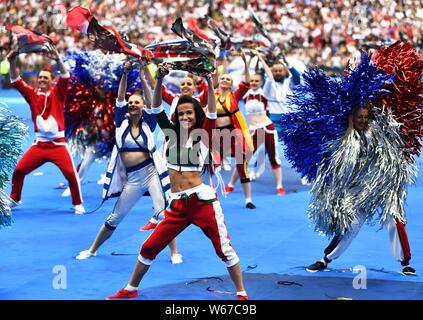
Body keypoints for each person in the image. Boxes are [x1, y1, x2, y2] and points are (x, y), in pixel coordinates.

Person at [107, 65, 249, 300]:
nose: (185, 116)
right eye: (181, 113)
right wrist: (160, 78)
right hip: (177, 206)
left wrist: (209, 83)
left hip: (202, 203)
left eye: (189, 113)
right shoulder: (170, 131)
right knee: (148, 247)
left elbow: (212, 112)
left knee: (224, 250)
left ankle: (242, 293)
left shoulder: (204, 133)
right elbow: (154, 107)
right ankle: (131, 289)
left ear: (196, 115)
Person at [76, 62, 182, 264]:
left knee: (162, 214)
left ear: (143, 107)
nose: (133, 104)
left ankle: (174, 252)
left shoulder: (148, 123)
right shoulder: (120, 121)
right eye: (131, 102)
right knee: (115, 217)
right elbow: (119, 97)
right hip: (133, 178)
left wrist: (144, 79)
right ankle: (92, 249)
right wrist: (125, 73)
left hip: (151, 173)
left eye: (137, 103)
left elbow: (154, 105)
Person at [306, 105, 416, 276]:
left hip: (383, 188)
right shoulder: (344, 139)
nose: (363, 120)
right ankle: (326, 259)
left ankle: (405, 263)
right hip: (357, 192)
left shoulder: (379, 135)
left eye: (366, 117)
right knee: (350, 225)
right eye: (359, 117)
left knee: (396, 221)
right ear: (352, 118)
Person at [6, 46, 85, 214]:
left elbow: (65, 76)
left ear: (51, 80)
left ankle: (78, 203)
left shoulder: (58, 93)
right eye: (40, 77)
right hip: (39, 146)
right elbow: (15, 80)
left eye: (45, 78)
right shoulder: (31, 94)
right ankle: (15, 198)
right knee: (19, 170)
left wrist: (57, 58)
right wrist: (11, 61)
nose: (42, 80)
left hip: (58, 146)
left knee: (71, 174)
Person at [226, 51, 285, 195]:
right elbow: (244, 78)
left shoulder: (265, 91)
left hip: (267, 128)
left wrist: (260, 57)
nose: (253, 83)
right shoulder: (245, 93)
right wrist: (246, 62)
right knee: (243, 157)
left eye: (256, 81)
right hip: (252, 130)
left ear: (260, 82)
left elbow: (270, 77)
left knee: (273, 157)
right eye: (251, 81)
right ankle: (231, 184)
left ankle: (279, 186)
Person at [215, 50, 256, 209]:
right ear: (219, 82)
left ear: (231, 84)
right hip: (217, 136)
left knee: (241, 165)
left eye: (228, 79)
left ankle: (248, 199)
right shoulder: (213, 95)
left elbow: (246, 81)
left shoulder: (235, 96)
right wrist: (220, 62)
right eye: (222, 78)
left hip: (234, 135)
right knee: (210, 165)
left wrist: (246, 62)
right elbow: (217, 74)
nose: (225, 80)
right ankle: (209, 196)